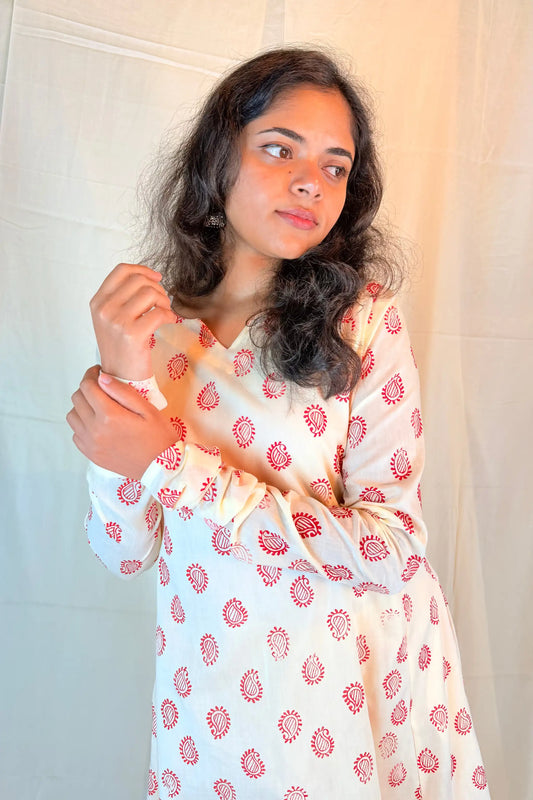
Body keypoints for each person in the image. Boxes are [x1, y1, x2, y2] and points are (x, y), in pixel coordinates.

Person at [67, 47, 490, 799]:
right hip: (204, 710)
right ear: (216, 159)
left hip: (343, 711)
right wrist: (123, 376)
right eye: (277, 149)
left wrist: (169, 463)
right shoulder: (156, 332)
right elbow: (123, 551)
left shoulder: (360, 324)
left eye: (336, 166)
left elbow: (391, 549)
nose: (310, 183)